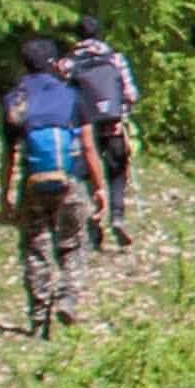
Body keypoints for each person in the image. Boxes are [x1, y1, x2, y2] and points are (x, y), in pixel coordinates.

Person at [3, 39, 97, 336]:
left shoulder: (15, 99)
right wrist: (100, 188)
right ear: (54, 62)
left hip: (33, 182)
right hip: (71, 181)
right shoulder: (72, 96)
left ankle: (39, 318)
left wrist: (4, 192)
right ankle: (68, 297)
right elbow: (89, 146)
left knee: (36, 247)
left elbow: (9, 152)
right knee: (74, 243)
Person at [68, 28, 142, 247]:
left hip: (86, 129)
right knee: (117, 172)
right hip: (114, 126)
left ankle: (94, 223)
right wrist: (123, 111)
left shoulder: (71, 63)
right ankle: (117, 217)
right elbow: (131, 95)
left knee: (90, 174)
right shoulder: (115, 59)